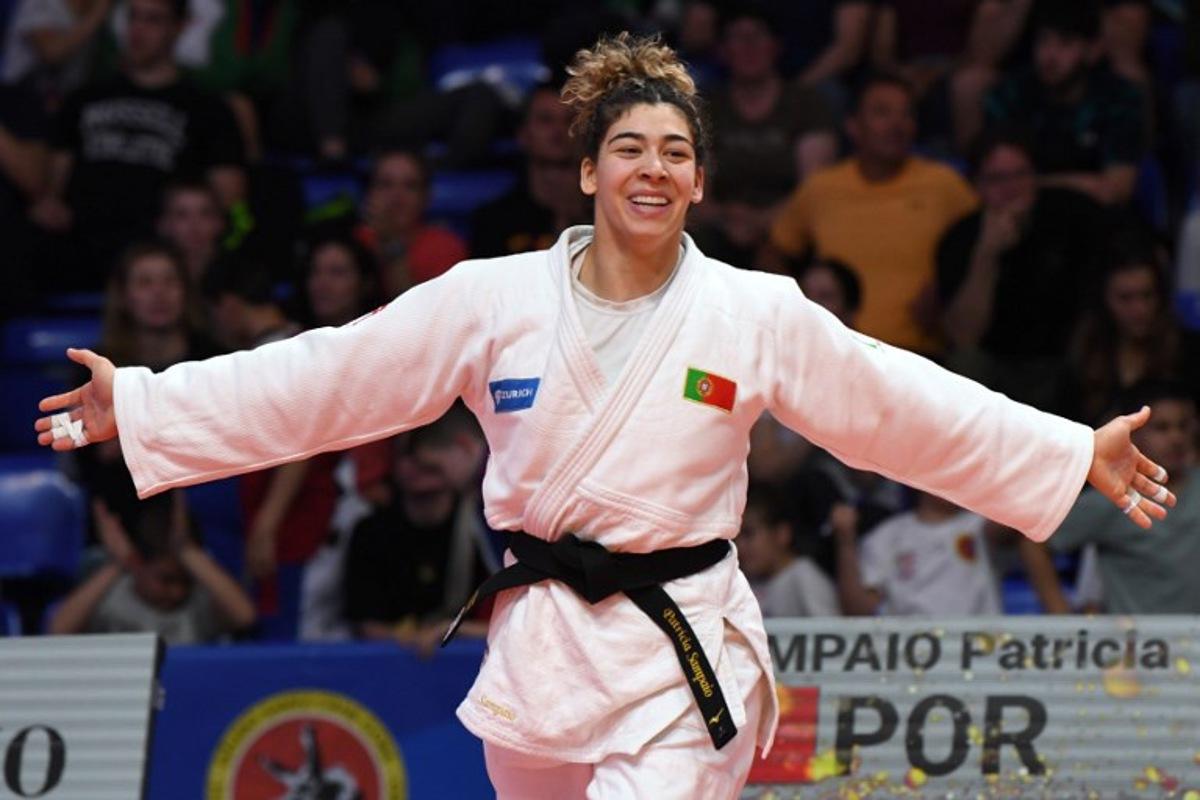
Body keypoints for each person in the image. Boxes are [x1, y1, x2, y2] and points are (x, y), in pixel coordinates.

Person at [36, 33, 1176, 799]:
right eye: (630, 147)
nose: (654, 167)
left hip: (684, 651)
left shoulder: (753, 310)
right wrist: (143, 403)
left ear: (698, 182)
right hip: (538, 654)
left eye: (677, 152)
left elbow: (898, 401)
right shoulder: (491, 299)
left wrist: (1066, 449)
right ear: (585, 170)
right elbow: (329, 376)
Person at [30, 0, 246, 288]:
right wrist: (50, 204)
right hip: (80, 248)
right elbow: (52, 190)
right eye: (133, 18)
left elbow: (230, 205)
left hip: (163, 258)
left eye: (152, 20)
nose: (137, 30)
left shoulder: (207, 108)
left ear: (178, 28)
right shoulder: (84, 98)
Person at [766, 72, 978, 353]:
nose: (897, 125)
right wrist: (799, 309)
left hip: (917, 357)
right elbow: (774, 252)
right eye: (882, 113)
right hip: (836, 352)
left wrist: (947, 291)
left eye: (906, 114)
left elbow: (983, 239)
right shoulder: (822, 187)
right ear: (853, 126)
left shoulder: (944, 184)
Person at [936, 131, 1108, 413]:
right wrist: (986, 254)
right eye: (997, 178)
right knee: (966, 362)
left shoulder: (1071, 217)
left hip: (1062, 359)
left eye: (1020, 174)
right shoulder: (960, 238)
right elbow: (964, 337)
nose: (1012, 187)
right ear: (976, 185)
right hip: (995, 370)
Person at [1020, 381, 1200, 614]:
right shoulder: (1112, 497)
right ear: (1134, 436)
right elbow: (1034, 542)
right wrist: (1061, 617)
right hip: (1136, 644)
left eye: (1183, 426)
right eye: (1161, 428)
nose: (1176, 437)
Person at [688, 6, 837, 266]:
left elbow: (814, 189)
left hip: (791, 225)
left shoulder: (806, 103)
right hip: (722, 227)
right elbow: (697, 191)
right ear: (723, 51)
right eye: (737, 38)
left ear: (775, 46)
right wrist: (726, 219)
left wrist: (762, 221)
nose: (749, 46)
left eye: (757, 36)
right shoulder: (706, 107)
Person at [983, 0, 1146, 206]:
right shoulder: (1010, 96)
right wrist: (1081, 184)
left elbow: (1116, 189)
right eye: (1043, 41)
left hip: (1096, 218)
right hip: (1021, 215)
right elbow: (994, 182)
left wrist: (1028, 185)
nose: (1049, 56)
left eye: (1065, 43)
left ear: (1093, 50)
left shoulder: (1119, 98)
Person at [48, 491, 256, 643]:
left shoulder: (200, 599)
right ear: (139, 564)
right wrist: (119, 565)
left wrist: (187, 552)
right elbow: (59, 629)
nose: (177, 591)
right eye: (166, 580)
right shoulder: (112, 596)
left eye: (185, 581)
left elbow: (245, 616)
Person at [1070, 236, 1200, 425]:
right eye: (1125, 298)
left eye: (1147, 295)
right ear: (1104, 299)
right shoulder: (1085, 355)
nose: (1139, 309)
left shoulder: (1190, 352)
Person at [834, 491, 1003, 616]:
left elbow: (1018, 514)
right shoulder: (887, 535)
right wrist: (845, 542)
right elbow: (859, 611)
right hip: (909, 652)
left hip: (977, 653)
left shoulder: (980, 525)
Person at [471, 81, 585, 258]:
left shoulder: (606, 213)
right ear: (523, 134)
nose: (559, 131)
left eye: (569, 120)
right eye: (546, 120)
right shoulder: (493, 221)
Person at [356, 148, 468, 297]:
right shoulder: (352, 243)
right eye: (386, 184)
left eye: (410, 186)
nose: (397, 197)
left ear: (426, 196)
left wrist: (391, 243)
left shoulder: (446, 248)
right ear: (369, 192)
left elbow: (422, 315)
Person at [736, 482, 839, 618]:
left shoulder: (804, 576)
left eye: (748, 534)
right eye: (735, 537)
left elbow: (831, 634)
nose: (739, 545)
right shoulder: (742, 583)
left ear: (782, 534)